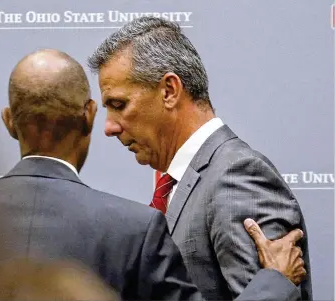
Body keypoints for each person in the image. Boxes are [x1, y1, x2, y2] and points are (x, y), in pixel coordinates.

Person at [0, 49, 304, 301]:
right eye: (107, 108)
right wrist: (275, 279)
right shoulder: (133, 231)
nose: (110, 126)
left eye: (118, 104)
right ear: (88, 115)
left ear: (8, 121)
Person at [88, 16, 312, 300]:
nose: (109, 127)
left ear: (169, 91)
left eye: (119, 105)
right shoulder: (186, 182)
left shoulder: (238, 176)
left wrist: (276, 282)